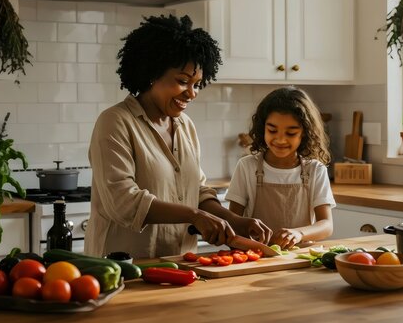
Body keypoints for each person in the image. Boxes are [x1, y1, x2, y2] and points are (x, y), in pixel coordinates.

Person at [85, 15, 270, 259]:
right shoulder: (115, 121)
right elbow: (122, 201)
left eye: (197, 84)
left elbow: (199, 191)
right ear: (152, 73)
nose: (192, 93)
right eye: (183, 82)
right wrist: (194, 216)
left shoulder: (185, 126)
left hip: (182, 263)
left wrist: (235, 220)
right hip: (123, 267)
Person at [225, 86, 335, 249]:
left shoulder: (315, 170)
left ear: (304, 133)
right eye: (272, 130)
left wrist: (299, 234)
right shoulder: (247, 166)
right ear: (263, 128)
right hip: (257, 256)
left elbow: (326, 225)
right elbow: (232, 221)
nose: (281, 139)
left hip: (300, 257)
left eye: (290, 133)